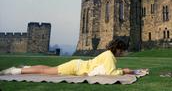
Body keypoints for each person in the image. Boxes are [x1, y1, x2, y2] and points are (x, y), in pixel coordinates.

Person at [0, 39, 134, 76]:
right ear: (117, 49)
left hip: (77, 65)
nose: (122, 54)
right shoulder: (110, 56)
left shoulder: (108, 55)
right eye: (122, 51)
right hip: (75, 67)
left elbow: (106, 70)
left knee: (49, 69)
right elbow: (111, 73)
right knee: (45, 72)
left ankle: (27, 67)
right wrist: (124, 71)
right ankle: (15, 71)